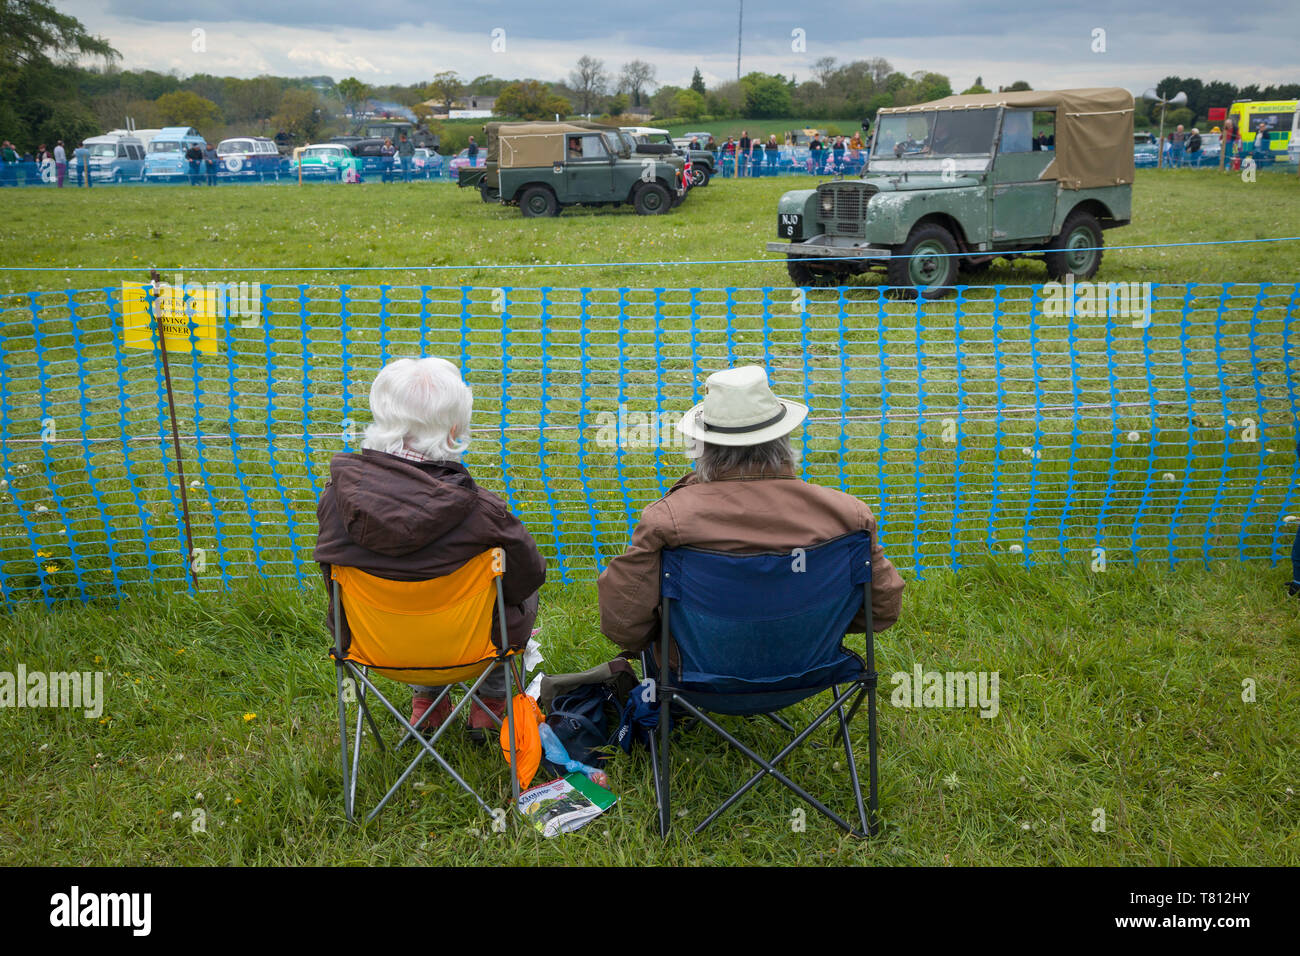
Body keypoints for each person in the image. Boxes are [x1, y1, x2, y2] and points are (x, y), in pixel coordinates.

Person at [598, 365, 905, 660]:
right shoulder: (850, 516)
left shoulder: (667, 521)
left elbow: (623, 622)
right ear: (783, 440)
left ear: (702, 446)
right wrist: (820, 626)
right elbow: (882, 609)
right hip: (811, 667)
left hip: (697, 675)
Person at [314, 357, 546, 738]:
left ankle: (428, 702)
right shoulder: (485, 512)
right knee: (520, 590)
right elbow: (528, 577)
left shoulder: (335, 503)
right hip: (474, 650)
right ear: (454, 429)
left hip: (373, 647)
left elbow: (331, 583)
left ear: (382, 418)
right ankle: (490, 703)